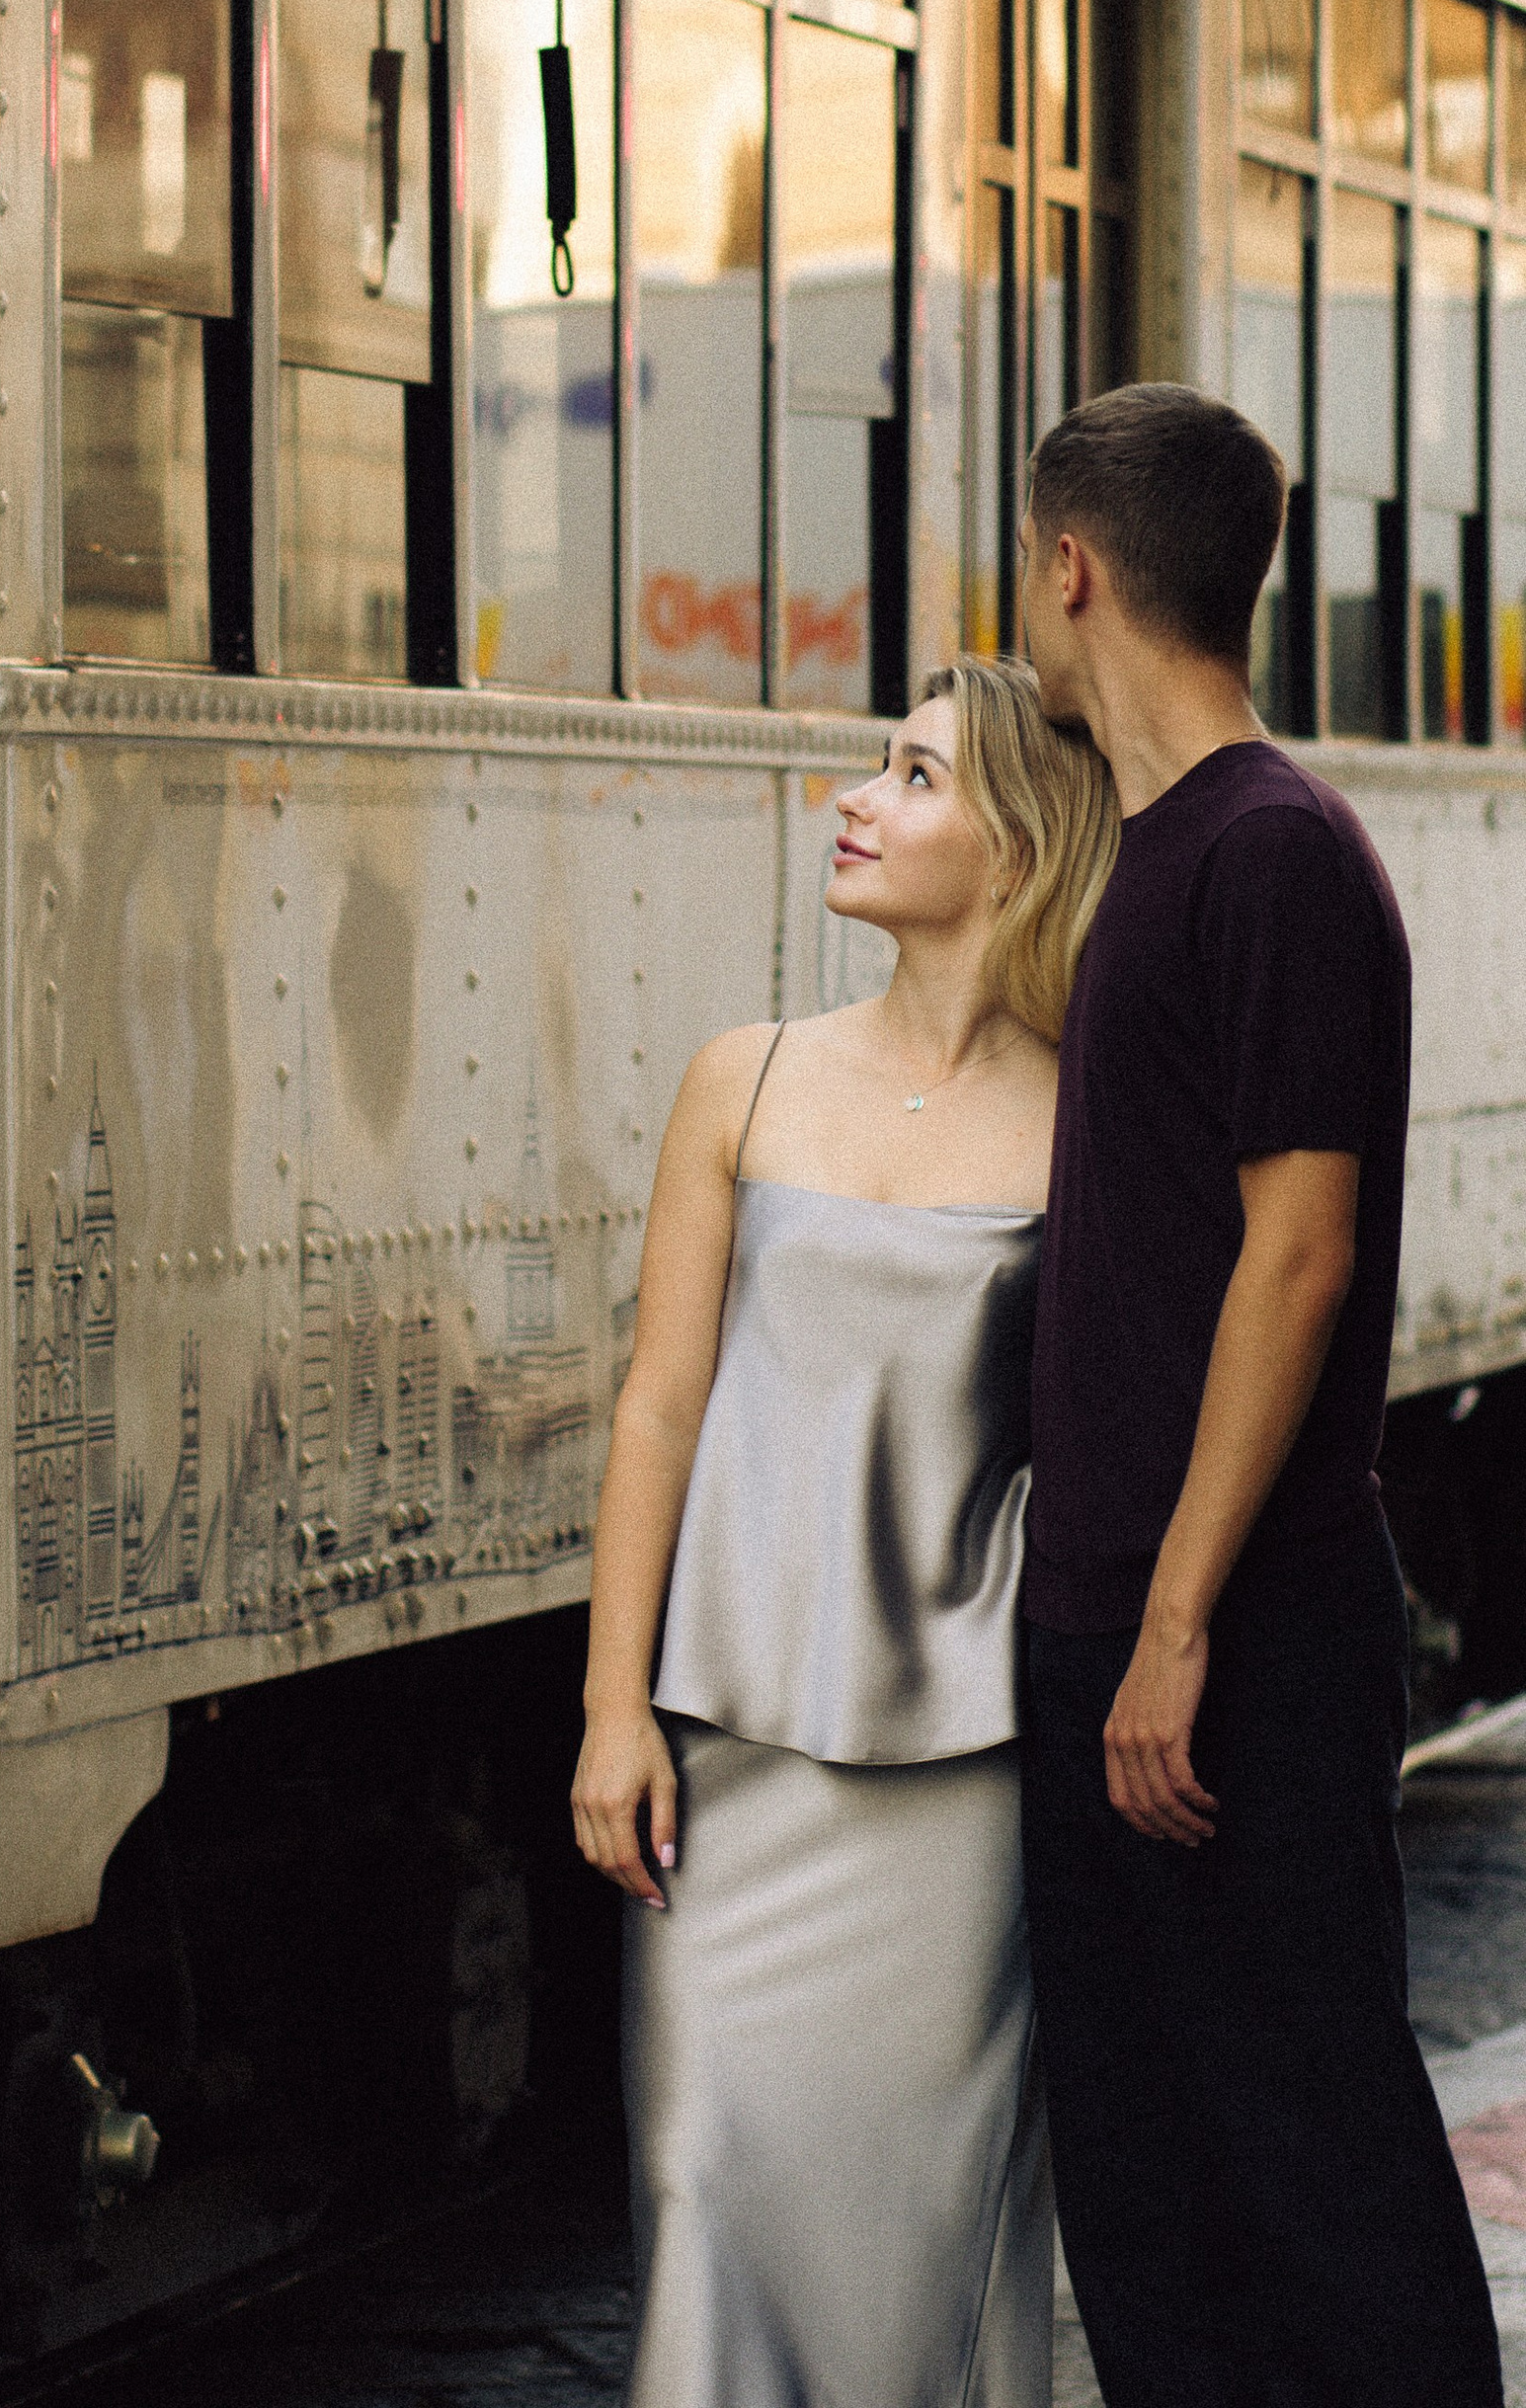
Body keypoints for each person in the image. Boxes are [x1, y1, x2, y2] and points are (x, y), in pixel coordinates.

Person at [1015, 380, 1499, 2408]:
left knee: (1306, 2162)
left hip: (1221, 1632)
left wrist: (1174, 1621)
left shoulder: (1269, 852)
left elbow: (1289, 1257)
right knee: (1147, 2188)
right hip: (1123, 1618)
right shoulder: (1151, 857)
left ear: (1071, 571)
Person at [574, 655, 1119, 2407]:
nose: (856, 799)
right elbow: (659, 1401)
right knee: (700, 2190)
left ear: (1021, 852)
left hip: (960, 1782)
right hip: (730, 1765)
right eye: (874, 767)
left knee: (917, 2263)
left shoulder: (1089, 1124)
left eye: (915, 777)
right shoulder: (744, 1078)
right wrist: (611, 1710)